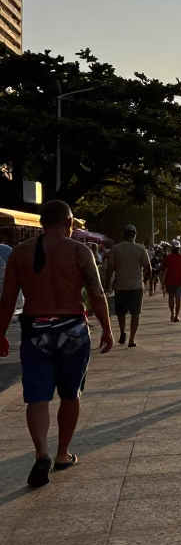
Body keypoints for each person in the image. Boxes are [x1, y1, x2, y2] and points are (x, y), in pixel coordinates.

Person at [0, 201, 114, 488]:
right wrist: (108, 329)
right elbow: (96, 293)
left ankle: (42, 454)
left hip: (35, 330)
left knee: (37, 396)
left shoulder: (19, 254)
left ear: (41, 222)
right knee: (69, 393)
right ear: (69, 222)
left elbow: (8, 300)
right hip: (72, 329)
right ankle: (63, 453)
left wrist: (1, 333)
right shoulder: (79, 250)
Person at [104, 224, 152, 347]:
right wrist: (145, 281)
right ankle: (131, 339)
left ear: (124, 235)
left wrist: (107, 285)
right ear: (134, 235)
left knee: (121, 313)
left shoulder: (115, 249)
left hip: (120, 286)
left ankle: (122, 332)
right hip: (136, 286)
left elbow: (110, 269)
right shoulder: (141, 249)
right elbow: (148, 268)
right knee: (135, 314)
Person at [165, 244, 181, 322]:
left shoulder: (168, 258)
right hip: (180, 281)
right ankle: (177, 316)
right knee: (178, 298)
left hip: (170, 281)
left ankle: (172, 313)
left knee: (171, 297)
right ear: (179, 249)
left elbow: (162, 268)